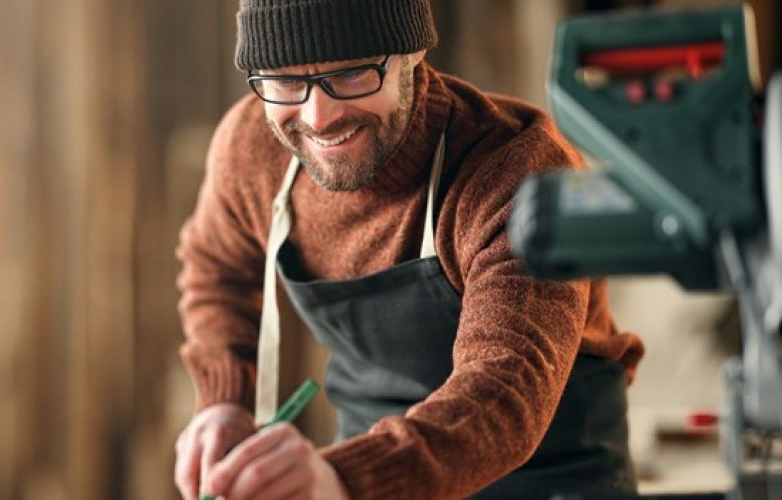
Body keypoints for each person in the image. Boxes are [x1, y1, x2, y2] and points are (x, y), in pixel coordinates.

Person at [172, 0, 646, 498]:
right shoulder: (253, 148)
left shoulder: (518, 173)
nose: (319, 117)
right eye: (285, 81)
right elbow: (217, 269)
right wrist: (224, 401)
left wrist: (348, 478)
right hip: (365, 457)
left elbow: (505, 388)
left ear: (413, 51)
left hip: (546, 472)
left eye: (353, 73)